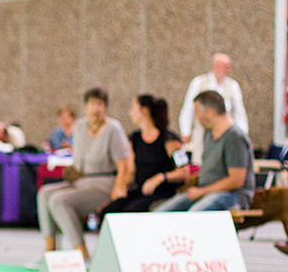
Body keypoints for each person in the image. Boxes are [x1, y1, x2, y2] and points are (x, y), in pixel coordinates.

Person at [35, 87, 132, 262]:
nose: (96, 109)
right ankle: (49, 254)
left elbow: (124, 165)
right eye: (93, 104)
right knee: (44, 194)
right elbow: (78, 161)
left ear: (106, 108)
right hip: (80, 180)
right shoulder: (79, 127)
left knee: (59, 200)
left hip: (104, 183)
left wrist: (119, 188)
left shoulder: (113, 129)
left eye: (100, 104)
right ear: (86, 106)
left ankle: (82, 255)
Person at [152, 90, 255, 211]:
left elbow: (236, 180)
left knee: (195, 216)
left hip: (232, 196)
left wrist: (202, 192)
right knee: (160, 213)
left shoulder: (234, 137)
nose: (196, 117)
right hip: (205, 192)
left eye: (197, 112)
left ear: (209, 112)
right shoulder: (208, 133)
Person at [98, 94, 182, 218]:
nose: (130, 113)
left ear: (144, 111)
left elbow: (185, 171)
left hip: (161, 192)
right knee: (108, 212)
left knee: (130, 213)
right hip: (140, 191)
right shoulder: (135, 138)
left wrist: (161, 177)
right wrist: (120, 188)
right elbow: (130, 170)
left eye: (133, 108)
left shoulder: (169, 140)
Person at [179, 53, 248, 163]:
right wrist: (185, 132)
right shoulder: (198, 82)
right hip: (201, 132)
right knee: (200, 160)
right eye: (226, 66)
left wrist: (243, 133)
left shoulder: (233, 85)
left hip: (224, 133)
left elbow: (239, 112)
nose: (229, 69)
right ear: (216, 66)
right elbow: (188, 108)